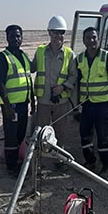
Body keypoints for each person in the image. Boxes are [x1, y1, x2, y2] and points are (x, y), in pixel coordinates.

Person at [31, 15, 77, 156]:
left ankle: (59, 159)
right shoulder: (40, 51)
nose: (59, 36)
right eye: (55, 32)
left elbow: (74, 75)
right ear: (49, 32)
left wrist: (63, 86)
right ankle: (40, 162)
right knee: (41, 132)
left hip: (61, 101)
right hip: (44, 100)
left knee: (60, 132)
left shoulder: (69, 54)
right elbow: (31, 68)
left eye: (61, 32)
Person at [77, 27, 108, 174]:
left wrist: (107, 96)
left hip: (101, 105)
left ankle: (106, 163)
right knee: (85, 134)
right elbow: (77, 81)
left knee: (104, 135)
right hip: (86, 104)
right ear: (84, 40)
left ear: (98, 39)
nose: (91, 40)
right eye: (88, 38)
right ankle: (90, 161)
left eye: (94, 37)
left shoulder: (107, 56)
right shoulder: (80, 58)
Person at [0, 24, 34, 177]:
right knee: (11, 136)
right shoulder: (2, 58)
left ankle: (16, 161)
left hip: (23, 104)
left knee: (20, 134)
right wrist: (8, 107)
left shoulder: (23, 56)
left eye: (18, 36)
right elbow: (0, 83)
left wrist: (32, 101)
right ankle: (11, 167)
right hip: (12, 106)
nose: (16, 39)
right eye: (12, 36)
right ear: (7, 38)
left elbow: (27, 80)